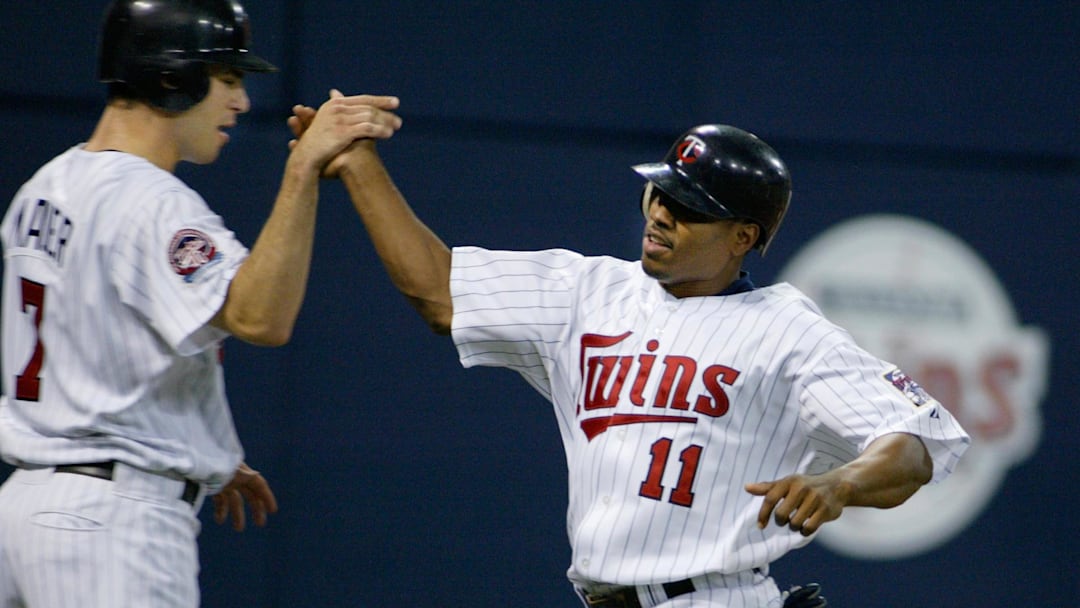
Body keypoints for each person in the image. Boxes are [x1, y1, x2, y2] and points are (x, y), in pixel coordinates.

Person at [305, 115, 969, 607]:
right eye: (661, 193)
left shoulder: (787, 331)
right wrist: (359, 166)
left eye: (689, 209)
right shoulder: (585, 293)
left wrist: (841, 485)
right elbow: (440, 294)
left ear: (743, 237)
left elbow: (914, 446)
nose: (661, 213)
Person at [0, 1, 401, 606]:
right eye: (229, 79)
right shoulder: (151, 200)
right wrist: (304, 170)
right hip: (111, 527)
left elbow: (89, 347)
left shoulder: (45, 186)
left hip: (25, 510)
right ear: (171, 75)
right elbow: (260, 318)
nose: (240, 102)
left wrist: (180, 440)